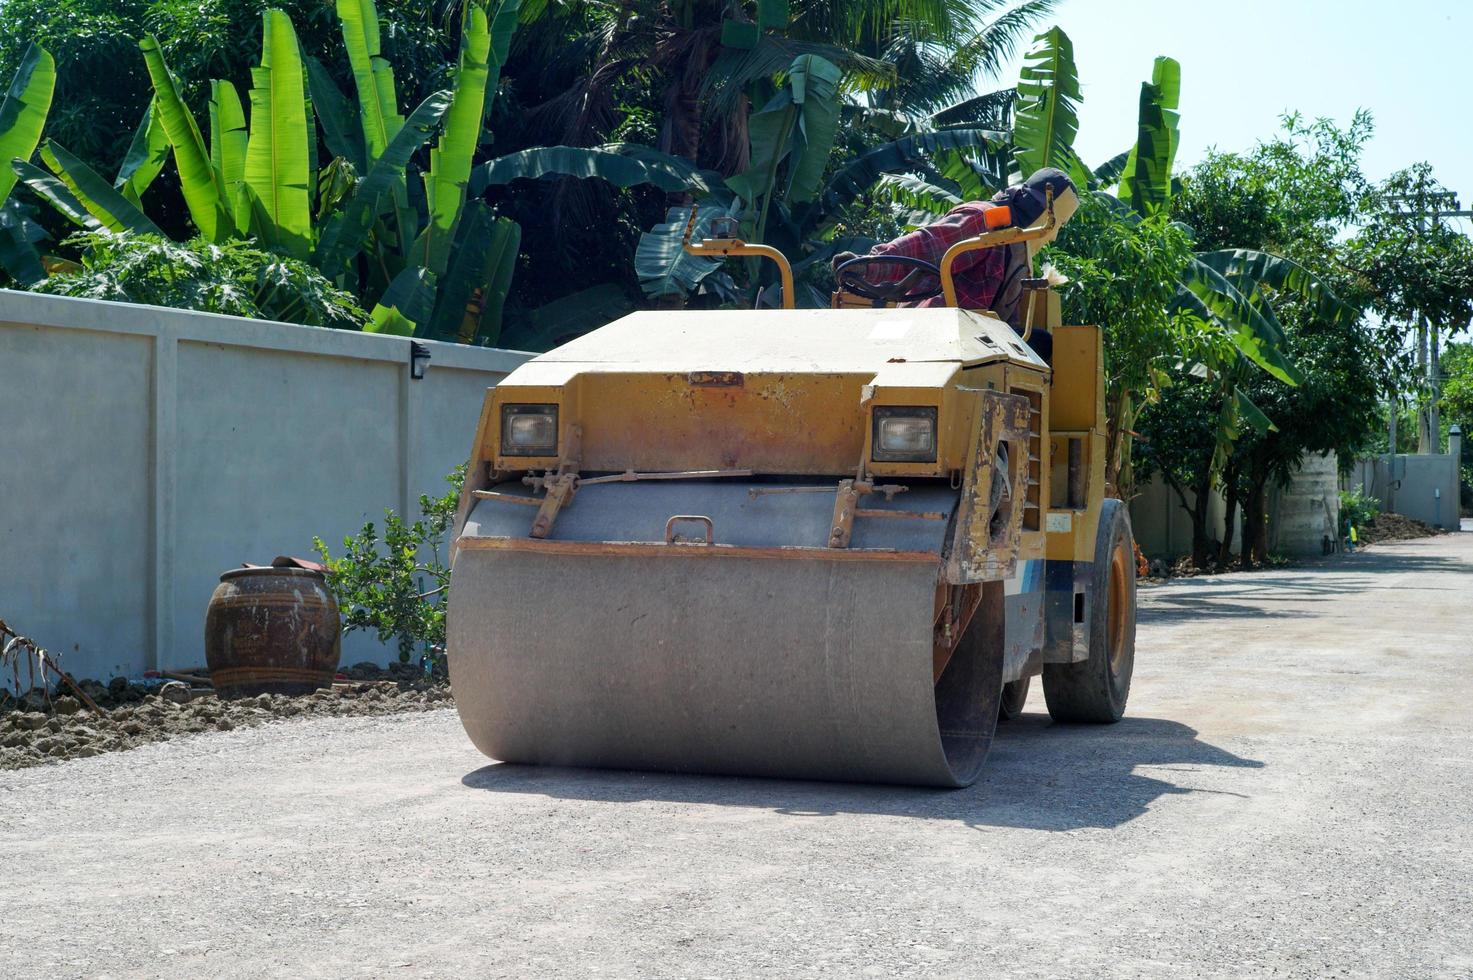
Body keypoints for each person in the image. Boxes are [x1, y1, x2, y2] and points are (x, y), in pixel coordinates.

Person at [831, 167, 1078, 327]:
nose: (1054, 236)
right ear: (1043, 210)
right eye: (1060, 223)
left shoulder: (1019, 248)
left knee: (1044, 345)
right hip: (934, 331)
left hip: (980, 342)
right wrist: (869, 266)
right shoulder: (985, 220)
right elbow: (925, 246)